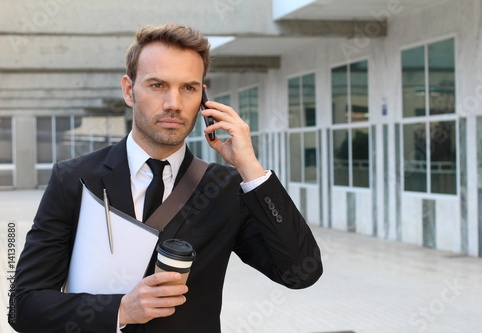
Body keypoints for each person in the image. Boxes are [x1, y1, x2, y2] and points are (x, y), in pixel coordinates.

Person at [9, 23, 322, 333]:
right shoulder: (75, 179)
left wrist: (250, 168)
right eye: (157, 85)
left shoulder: (223, 188)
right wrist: (119, 310)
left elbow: (299, 272)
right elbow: (24, 307)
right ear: (129, 91)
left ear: (204, 97)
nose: (174, 103)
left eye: (189, 87)